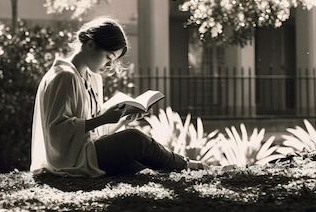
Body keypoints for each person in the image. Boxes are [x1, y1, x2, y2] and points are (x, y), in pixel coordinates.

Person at [30, 17, 207, 177]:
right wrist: (103, 119)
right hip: (71, 159)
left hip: (89, 151)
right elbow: (57, 131)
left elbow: (94, 133)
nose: (109, 65)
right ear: (90, 45)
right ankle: (188, 165)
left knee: (138, 164)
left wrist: (122, 119)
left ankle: (183, 166)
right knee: (134, 139)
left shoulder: (93, 78)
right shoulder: (64, 76)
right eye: (108, 57)